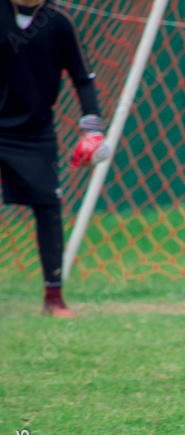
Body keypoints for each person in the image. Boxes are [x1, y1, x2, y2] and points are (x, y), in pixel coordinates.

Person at [1, 0, 109, 318]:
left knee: (49, 207)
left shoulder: (59, 22)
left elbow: (82, 77)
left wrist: (92, 130)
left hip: (34, 135)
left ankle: (54, 297)